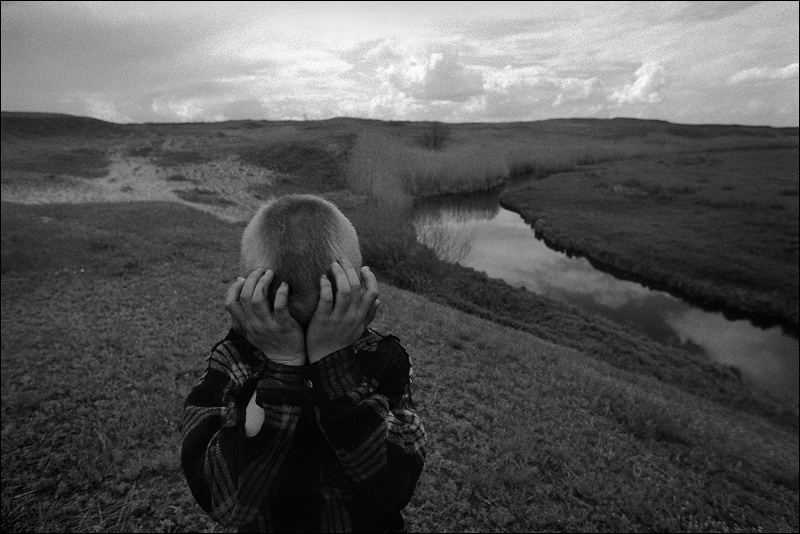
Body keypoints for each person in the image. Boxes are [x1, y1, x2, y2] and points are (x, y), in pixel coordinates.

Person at [181, 194, 427, 533]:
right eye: (289, 323)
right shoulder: (233, 361)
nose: (311, 342)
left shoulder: (383, 358)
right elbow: (227, 503)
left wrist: (332, 361)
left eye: (330, 319)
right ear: (250, 300)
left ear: (357, 297)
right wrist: (283, 364)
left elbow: (395, 485)